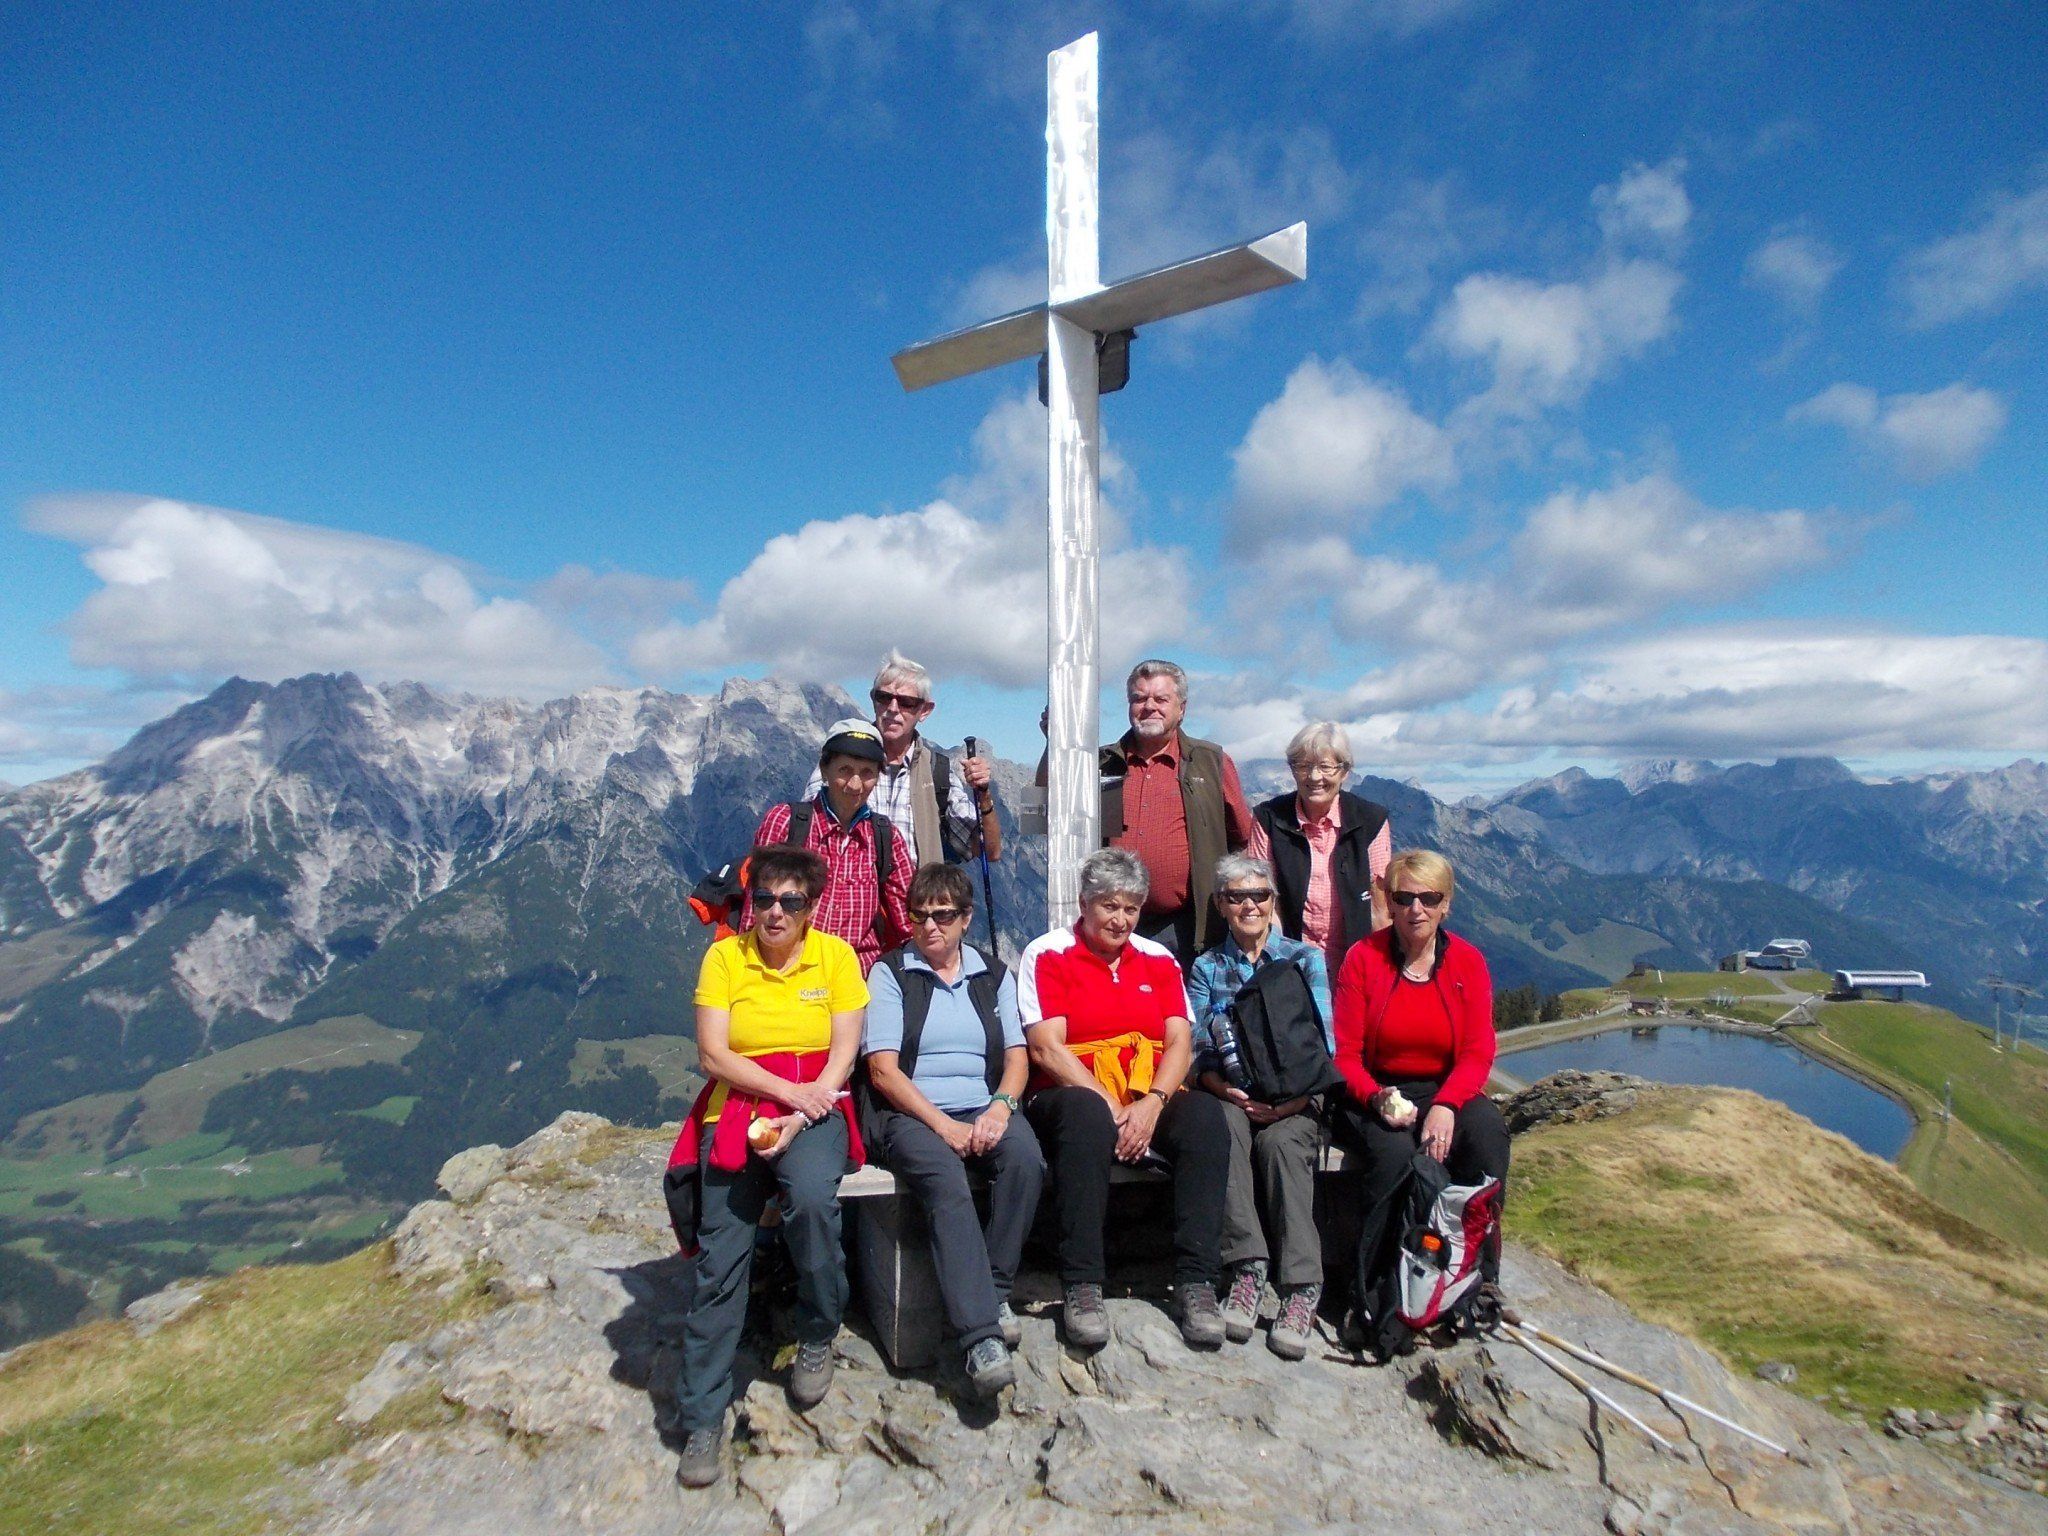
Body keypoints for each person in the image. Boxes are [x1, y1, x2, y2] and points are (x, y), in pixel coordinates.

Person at [672, 845, 867, 1488]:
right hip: (742, 1111)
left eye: (792, 901)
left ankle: (818, 1327)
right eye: (764, 899)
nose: (776, 912)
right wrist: (788, 1095)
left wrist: (806, 1110)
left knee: (812, 1201)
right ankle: (703, 1414)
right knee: (720, 1254)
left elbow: (844, 1050)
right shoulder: (726, 956)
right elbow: (713, 1056)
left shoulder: (835, 957)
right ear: (750, 903)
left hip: (814, 1111)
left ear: (812, 907)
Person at [1017, 847, 1233, 1351]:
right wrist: (1112, 1110)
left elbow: (1180, 1041)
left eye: (1131, 907)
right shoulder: (1047, 953)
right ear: (1084, 903)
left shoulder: (1158, 959)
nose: (1120, 918)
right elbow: (1047, 1047)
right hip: (1067, 1094)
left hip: (1145, 1090)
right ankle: (1083, 1283)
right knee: (1086, 1117)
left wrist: (1153, 1103)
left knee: (1203, 1117)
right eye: (1109, 905)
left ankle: (1197, 1281)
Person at [863, 864, 1045, 1398]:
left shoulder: (993, 973)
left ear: (966, 918)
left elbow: (1017, 1056)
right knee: (945, 1178)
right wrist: (942, 1125)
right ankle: (980, 1335)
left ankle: (992, 1288)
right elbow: (883, 1070)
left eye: (943, 916)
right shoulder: (892, 973)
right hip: (910, 1114)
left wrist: (1001, 1108)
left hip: (982, 1105)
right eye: (919, 916)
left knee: (1025, 1160)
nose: (929, 927)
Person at [1328, 849, 1508, 1341]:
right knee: (1392, 1159)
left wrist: (1448, 1105)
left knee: (1488, 1135)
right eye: (1404, 898)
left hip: (1445, 1087)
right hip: (1375, 1088)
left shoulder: (1467, 962)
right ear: (1388, 900)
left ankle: (1479, 1275)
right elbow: (1344, 1055)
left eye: (1429, 898)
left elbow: (1477, 1049)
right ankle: (1372, 1288)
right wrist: (1376, 1097)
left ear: (1446, 904)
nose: (1416, 910)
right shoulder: (1364, 959)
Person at [1185, 854, 1333, 1360]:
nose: (1249, 905)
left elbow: (1324, 1043)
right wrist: (1224, 1090)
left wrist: (1295, 1102)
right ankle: (1247, 1268)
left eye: (1260, 896)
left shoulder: (1304, 959)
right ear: (1221, 906)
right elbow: (1198, 1047)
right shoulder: (1206, 967)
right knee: (1221, 1129)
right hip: (1231, 1093)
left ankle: (1300, 1288)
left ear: (1274, 904)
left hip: (1296, 1099)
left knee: (1282, 1148)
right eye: (1236, 897)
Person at [1097, 659, 1254, 967]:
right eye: (1139, 698)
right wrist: (1053, 743)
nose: (1149, 706)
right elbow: (1048, 817)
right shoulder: (1103, 763)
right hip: (1112, 924)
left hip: (1187, 929)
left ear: (1182, 708)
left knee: (1185, 1014)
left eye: (1160, 699)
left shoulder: (1211, 762)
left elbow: (1243, 838)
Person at [805, 652, 1001, 866]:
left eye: (907, 702)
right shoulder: (838, 760)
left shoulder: (938, 773)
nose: (893, 708)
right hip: (850, 898)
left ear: (924, 711)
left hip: (914, 898)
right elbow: (807, 833)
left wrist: (983, 793)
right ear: (873, 699)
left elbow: (989, 851)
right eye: (884, 697)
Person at [753, 718, 912, 974]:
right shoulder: (785, 822)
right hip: (790, 973)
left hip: (858, 977)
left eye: (867, 773)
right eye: (845, 770)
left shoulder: (885, 838)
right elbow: (758, 907)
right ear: (825, 770)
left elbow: (908, 919)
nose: (855, 784)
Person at [1246, 721, 1392, 978]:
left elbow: (1380, 909)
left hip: (1356, 963)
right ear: (1292, 770)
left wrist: (1382, 971)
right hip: (1291, 961)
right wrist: (1277, 966)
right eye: (1303, 766)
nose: (1314, 777)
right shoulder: (1269, 818)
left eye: (1326, 767)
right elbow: (1265, 900)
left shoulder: (1371, 820)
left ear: (1344, 771)